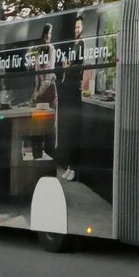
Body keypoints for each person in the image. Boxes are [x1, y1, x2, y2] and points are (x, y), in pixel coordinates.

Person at [55, 14, 86, 181]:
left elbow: (74, 67)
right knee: (66, 132)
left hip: (73, 93)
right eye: (75, 27)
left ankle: (73, 167)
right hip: (67, 93)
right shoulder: (74, 45)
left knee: (72, 131)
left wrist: (69, 66)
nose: (77, 29)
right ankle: (68, 165)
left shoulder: (81, 45)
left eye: (79, 27)